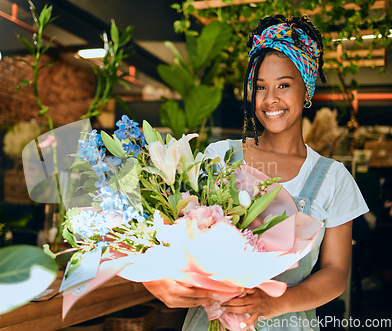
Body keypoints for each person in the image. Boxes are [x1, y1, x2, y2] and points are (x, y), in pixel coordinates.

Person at [142, 14, 369, 330]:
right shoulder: (219, 157)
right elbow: (171, 233)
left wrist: (275, 303)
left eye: (284, 85)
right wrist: (162, 278)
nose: (271, 99)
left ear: (307, 91)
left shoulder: (334, 179)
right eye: (260, 87)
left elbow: (335, 273)